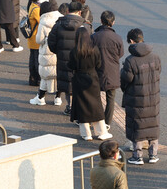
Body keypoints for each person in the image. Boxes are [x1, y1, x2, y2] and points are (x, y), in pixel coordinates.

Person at [120, 28, 161, 165]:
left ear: (131, 41)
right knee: (152, 125)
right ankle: (153, 155)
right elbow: (158, 73)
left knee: (137, 124)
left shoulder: (130, 61)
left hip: (136, 98)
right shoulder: (155, 57)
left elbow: (126, 79)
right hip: (153, 98)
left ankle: (137, 156)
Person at [69, 26, 112, 141]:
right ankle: (102, 132)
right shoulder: (94, 49)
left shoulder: (74, 51)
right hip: (92, 78)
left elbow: (70, 66)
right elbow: (99, 64)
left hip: (79, 79)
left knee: (82, 106)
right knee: (96, 105)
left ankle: (86, 134)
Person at [48, 1, 89, 114]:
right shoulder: (85, 26)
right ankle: (77, 107)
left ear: (67, 11)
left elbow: (51, 42)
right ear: (80, 12)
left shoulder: (59, 24)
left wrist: (59, 52)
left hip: (63, 59)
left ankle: (69, 106)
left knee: (67, 83)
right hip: (80, 61)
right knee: (79, 84)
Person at [92, 11, 124, 129]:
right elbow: (120, 54)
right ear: (113, 22)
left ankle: (97, 119)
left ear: (101, 21)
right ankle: (107, 122)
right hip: (112, 72)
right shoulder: (117, 38)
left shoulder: (94, 37)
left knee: (96, 96)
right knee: (110, 98)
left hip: (96, 71)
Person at [31, 1, 66, 105]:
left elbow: (39, 40)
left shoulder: (44, 21)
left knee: (45, 76)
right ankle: (58, 98)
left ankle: (40, 97)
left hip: (47, 52)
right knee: (57, 75)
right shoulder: (62, 19)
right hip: (59, 52)